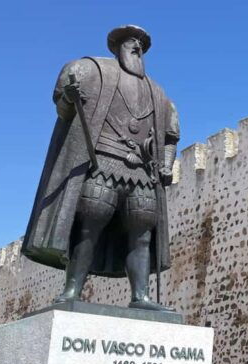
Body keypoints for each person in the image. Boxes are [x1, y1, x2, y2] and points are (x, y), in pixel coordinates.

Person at [22, 25, 179, 311]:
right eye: (131, 42)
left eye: (141, 44)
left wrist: (167, 165)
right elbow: (65, 109)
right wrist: (68, 98)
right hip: (103, 162)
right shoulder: (93, 71)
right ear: (117, 46)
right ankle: (72, 290)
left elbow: (170, 137)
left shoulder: (158, 93)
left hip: (143, 172)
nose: (137, 47)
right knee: (89, 225)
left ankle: (140, 296)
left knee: (142, 234)